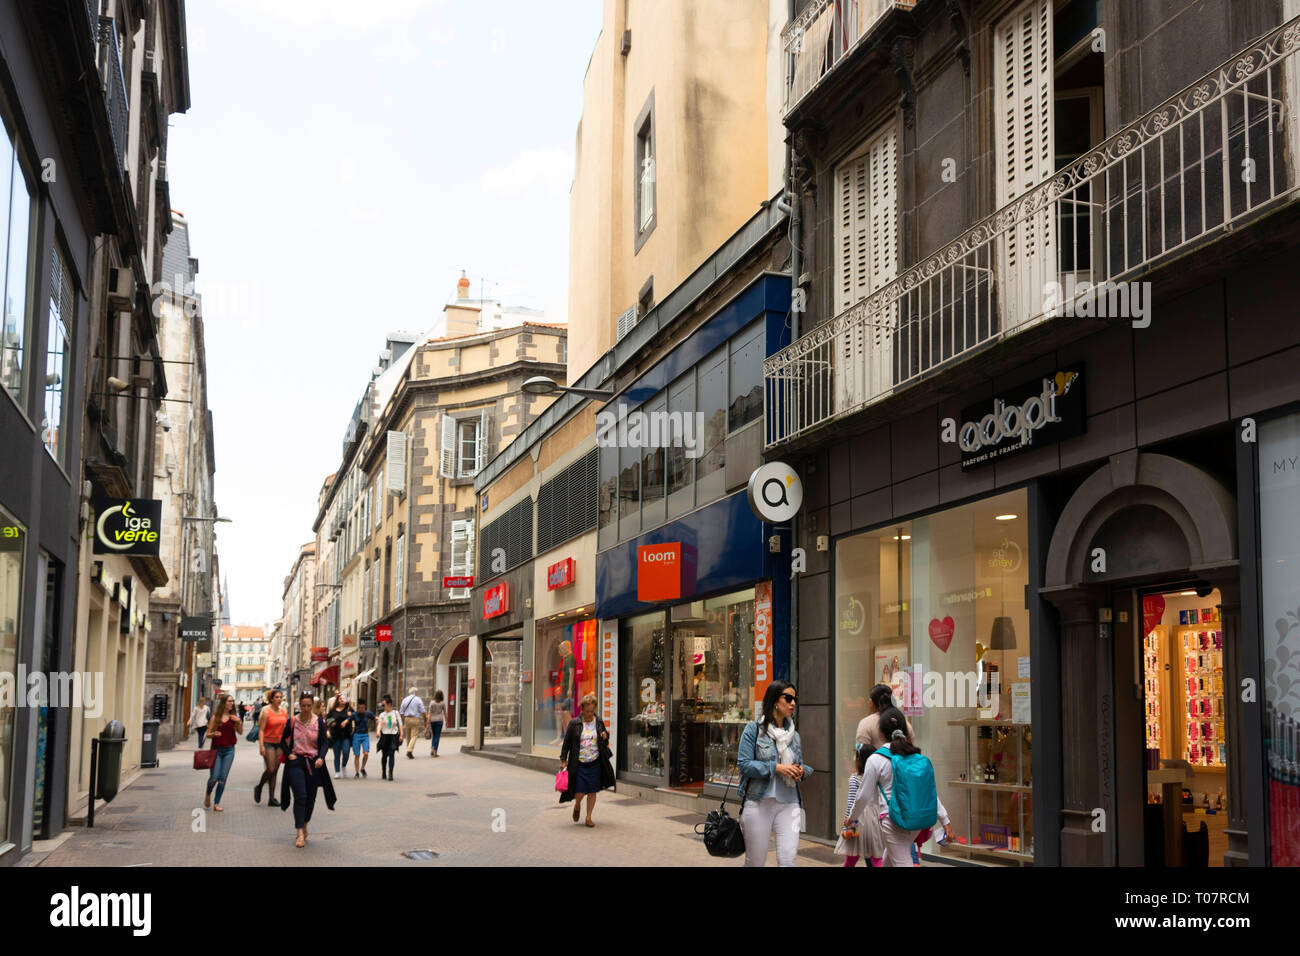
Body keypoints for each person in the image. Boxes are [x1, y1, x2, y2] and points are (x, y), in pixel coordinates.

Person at [845, 707, 954, 867]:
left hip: (892, 820)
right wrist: (945, 821)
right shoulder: (914, 756)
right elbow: (927, 792)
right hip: (915, 819)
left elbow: (863, 795)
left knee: (903, 862)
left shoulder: (875, 759)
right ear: (904, 730)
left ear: (880, 733)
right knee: (888, 861)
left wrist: (852, 818)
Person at [737, 680, 813, 867]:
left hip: (790, 804)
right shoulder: (753, 730)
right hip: (758, 803)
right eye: (788, 698)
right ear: (774, 700)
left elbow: (801, 764)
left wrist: (801, 771)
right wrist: (776, 768)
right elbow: (744, 765)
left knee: (788, 860)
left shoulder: (794, 735)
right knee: (755, 862)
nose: (793, 703)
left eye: (794, 699)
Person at [279, 692, 336, 848]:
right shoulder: (292, 721)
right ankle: (299, 832)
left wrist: (321, 757)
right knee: (301, 795)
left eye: (308, 706)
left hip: (313, 764)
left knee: (310, 797)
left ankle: (304, 823)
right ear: (299, 705)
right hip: (296, 762)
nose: (305, 709)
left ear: (312, 706)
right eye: (303, 705)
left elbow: (324, 743)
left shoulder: (319, 722)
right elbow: (282, 741)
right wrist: (289, 753)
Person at [558, 693, 615, 826]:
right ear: (582, 709)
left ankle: (588, 817)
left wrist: (605, 736)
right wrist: (563, 760)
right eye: (588, 711)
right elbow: (566, 744)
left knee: (592, 790)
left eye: (592, 711)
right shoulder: (574, 723)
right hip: (579, 762)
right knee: (580, 790)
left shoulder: (599, 721)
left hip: (595, 761)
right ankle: (577, 804)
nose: (590, 714)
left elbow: (605, 737)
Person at [835, 744, 884, 866]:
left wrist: (846, 826)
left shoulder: (854, 779)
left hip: (857, 819)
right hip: (875, 818)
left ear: (859, 760)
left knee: (852, 857)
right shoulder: (877, 778)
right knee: (876, 856)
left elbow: (851, 803)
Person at [202, 693, 242, 812]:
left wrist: (238, 721)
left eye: (232, 701)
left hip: (230, 750)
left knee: (223, 778)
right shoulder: (215, 717)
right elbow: (208, 734)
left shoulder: (234, 717)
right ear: (223, 703)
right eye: (229, 701)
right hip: (217, 750)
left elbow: (240, 732)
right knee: (214, 777)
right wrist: (214, 734)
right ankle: (208, 793)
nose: (232, 703)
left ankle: (217, 802)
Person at [254, 688, 290, 806]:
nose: (279, 699)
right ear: (271, 699)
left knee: (275, 771)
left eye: (280, 697)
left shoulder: (284, 712)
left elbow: (286, 729)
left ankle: (271, 798)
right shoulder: (266, 712)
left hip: (280, 743)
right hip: (268, 742)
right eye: (277, 697)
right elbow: (261, 730)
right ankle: (259, 787)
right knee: (270, 769)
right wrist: (261, 746)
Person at [856, 684, 914, 750]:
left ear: (871, 702)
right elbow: (911, 750)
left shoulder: (866, 724)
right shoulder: (905, 723)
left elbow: (861, 754)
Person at [326, 694, 355, 779]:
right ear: (337, 700)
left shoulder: (349, 709)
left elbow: (355, 716)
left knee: (346, 752)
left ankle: (343, 766)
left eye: (343, 699)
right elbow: (327, 719)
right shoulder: (333, 710)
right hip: (336, 735)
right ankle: (337, 771)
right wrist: (332, 722)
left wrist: (348, 718)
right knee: (337, 754)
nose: (342, 700)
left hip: (346, 735)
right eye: (340, 699)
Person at [376, 695, 402, 780]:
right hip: (384, 735)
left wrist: (401, 735)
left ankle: (390, 773)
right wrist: (378, 732)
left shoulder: (395, 713)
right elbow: (379, 724)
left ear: (389, 704)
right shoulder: (382, 714)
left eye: (384, 705)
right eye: (382, 705)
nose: (383, 707)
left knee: (391, 754)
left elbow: (400, 724)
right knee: (384, 755)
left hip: (393, 736)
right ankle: (383, 771)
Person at [351, 698, 376, 778]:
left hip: (365, 735)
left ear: (364, 707)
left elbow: (374, 718)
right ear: (357, 707)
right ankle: (357, 772)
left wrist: (378, 720)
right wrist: (345, 722)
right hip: (356, 735)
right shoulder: (354, 714)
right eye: (359, 708)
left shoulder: (368, 714)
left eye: (362, 708)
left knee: (366, 753)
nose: (360, 710)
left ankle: (362, 768)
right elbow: (348, 720)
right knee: (357, 755)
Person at [399, 687, 426, 759]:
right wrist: (425, 720)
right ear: (415, 692)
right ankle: (409, 750)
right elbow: (423, 711)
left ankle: (409, 751)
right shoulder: (418, 699)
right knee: (414, 736)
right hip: (415, 719)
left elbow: (401, 711)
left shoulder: (405, 700)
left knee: (408, 736)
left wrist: (403, 720)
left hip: (407, 719)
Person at [428, 690, 447, 757]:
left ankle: (432, 749)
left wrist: (428, 722)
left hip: (432, 720)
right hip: (439, 720)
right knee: (437, 736)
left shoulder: (432, 703)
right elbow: (445, 713)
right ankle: (435, 750)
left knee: (434, 735)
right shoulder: (442, 703)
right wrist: (446, 721)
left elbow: (429, 713)